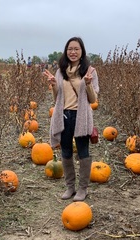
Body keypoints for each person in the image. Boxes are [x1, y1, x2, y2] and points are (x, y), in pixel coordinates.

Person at [43, 37, 99, 201]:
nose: (73, 52)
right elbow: (56, 99)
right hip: (64, 115)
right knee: (66, 152)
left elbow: (93, 99)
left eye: (76, 49)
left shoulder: (90, 71)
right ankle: (70, 187)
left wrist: (88, 83)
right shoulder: (60, 71)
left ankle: (83, 189)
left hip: (81, 116)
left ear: (82, 52)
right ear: (66, 52)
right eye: (70, 49)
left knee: (83, 152)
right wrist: (54, 85)